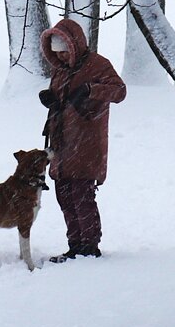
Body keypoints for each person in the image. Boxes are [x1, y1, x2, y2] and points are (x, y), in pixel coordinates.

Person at [38, 18, 127, 262]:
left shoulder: (98, 65)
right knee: (64, 195)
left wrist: (91, 90)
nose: (62, 58)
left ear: (74, 44)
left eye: (65, 52)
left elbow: (120, 91)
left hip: (86, 142)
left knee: (81, 195)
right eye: (57, 54)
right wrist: (51, 99)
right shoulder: (60, 70)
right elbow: (62, 99)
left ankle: (89, 246)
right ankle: (75, 245)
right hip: (61, 143)